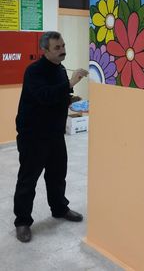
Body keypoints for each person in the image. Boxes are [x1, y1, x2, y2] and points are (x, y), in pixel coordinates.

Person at [13, 31, 88, 243]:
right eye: (57, 47)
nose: (63, 50)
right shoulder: (33, 71)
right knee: (28, 180)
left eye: (63, 45)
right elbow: (43, 96)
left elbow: (56, 96)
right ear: (44, 50)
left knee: (57, 175)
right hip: (33, 135)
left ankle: (59, 208)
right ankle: (22, 222)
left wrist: (70, 99)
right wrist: (71, 84)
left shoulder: (61, 69)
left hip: (55, 134)